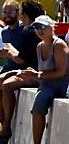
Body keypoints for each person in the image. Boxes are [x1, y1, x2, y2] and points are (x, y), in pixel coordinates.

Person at [0, 0, 46, 135]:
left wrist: (8, 51)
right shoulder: (28, 30)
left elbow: (20, 60)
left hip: (34, 72)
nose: (21, 18)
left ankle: (6, 125)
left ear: (25, 15)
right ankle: (1, 125)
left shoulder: (30, 31)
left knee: (7, 86)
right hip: (24, 69)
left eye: (22, 15)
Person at [26, 15, 69, 144]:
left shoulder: (59, 45)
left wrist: (37, 75)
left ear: (52, 28)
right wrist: (30, 74)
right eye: (36, 27)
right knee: (37, 107)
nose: (39, 30)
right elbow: (42, 73)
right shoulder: (39, 46)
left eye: (43, 27)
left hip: (64, 84)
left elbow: (61, 72)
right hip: (47, 85)